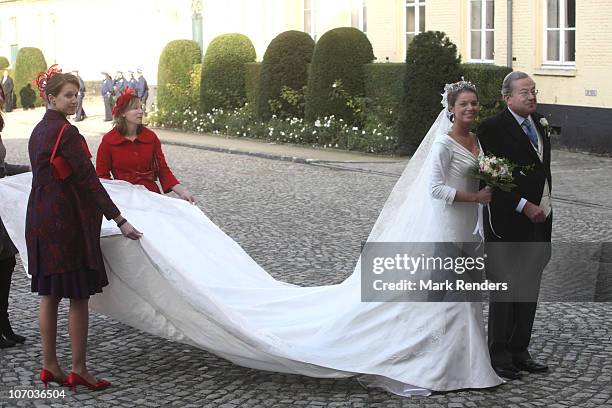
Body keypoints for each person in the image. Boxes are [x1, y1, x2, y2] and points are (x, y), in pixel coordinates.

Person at [27, 65, 142, 390]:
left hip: (39, 216)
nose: (74, 100)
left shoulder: (38, 130)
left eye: (76, 95)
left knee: (48, 294)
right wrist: (119, 219)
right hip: (66, 221)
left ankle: (50, 365)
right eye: (68, 95)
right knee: (78, 296)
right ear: (50, 97)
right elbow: (89, 181)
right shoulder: (68, 133)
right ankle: (78, 368)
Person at [477, 71, 552, 380]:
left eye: (533, 91)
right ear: (507, 97)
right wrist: (524, 205)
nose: (531, 96)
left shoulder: (541, 123)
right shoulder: (491, 128)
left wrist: (545, 206)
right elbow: (492, 178)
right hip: (506, 222)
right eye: (524, 92)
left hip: (540, 222)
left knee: (529, 288)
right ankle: (499, 354)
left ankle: (521, 349)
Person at [96, 88, 195, 202]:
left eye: (141, 107)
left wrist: (182, 192)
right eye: (135, 108)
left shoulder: (151, 137)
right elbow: (102, 177)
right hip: (124, 199)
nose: (140, 111)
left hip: (151, 195)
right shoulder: (109, 141)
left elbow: (162, 169)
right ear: (122, 113)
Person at [0, 86, 30, 349]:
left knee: (6, 264)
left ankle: (4, 323)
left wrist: (27, 169)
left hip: (2, 209)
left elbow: (1, 167)